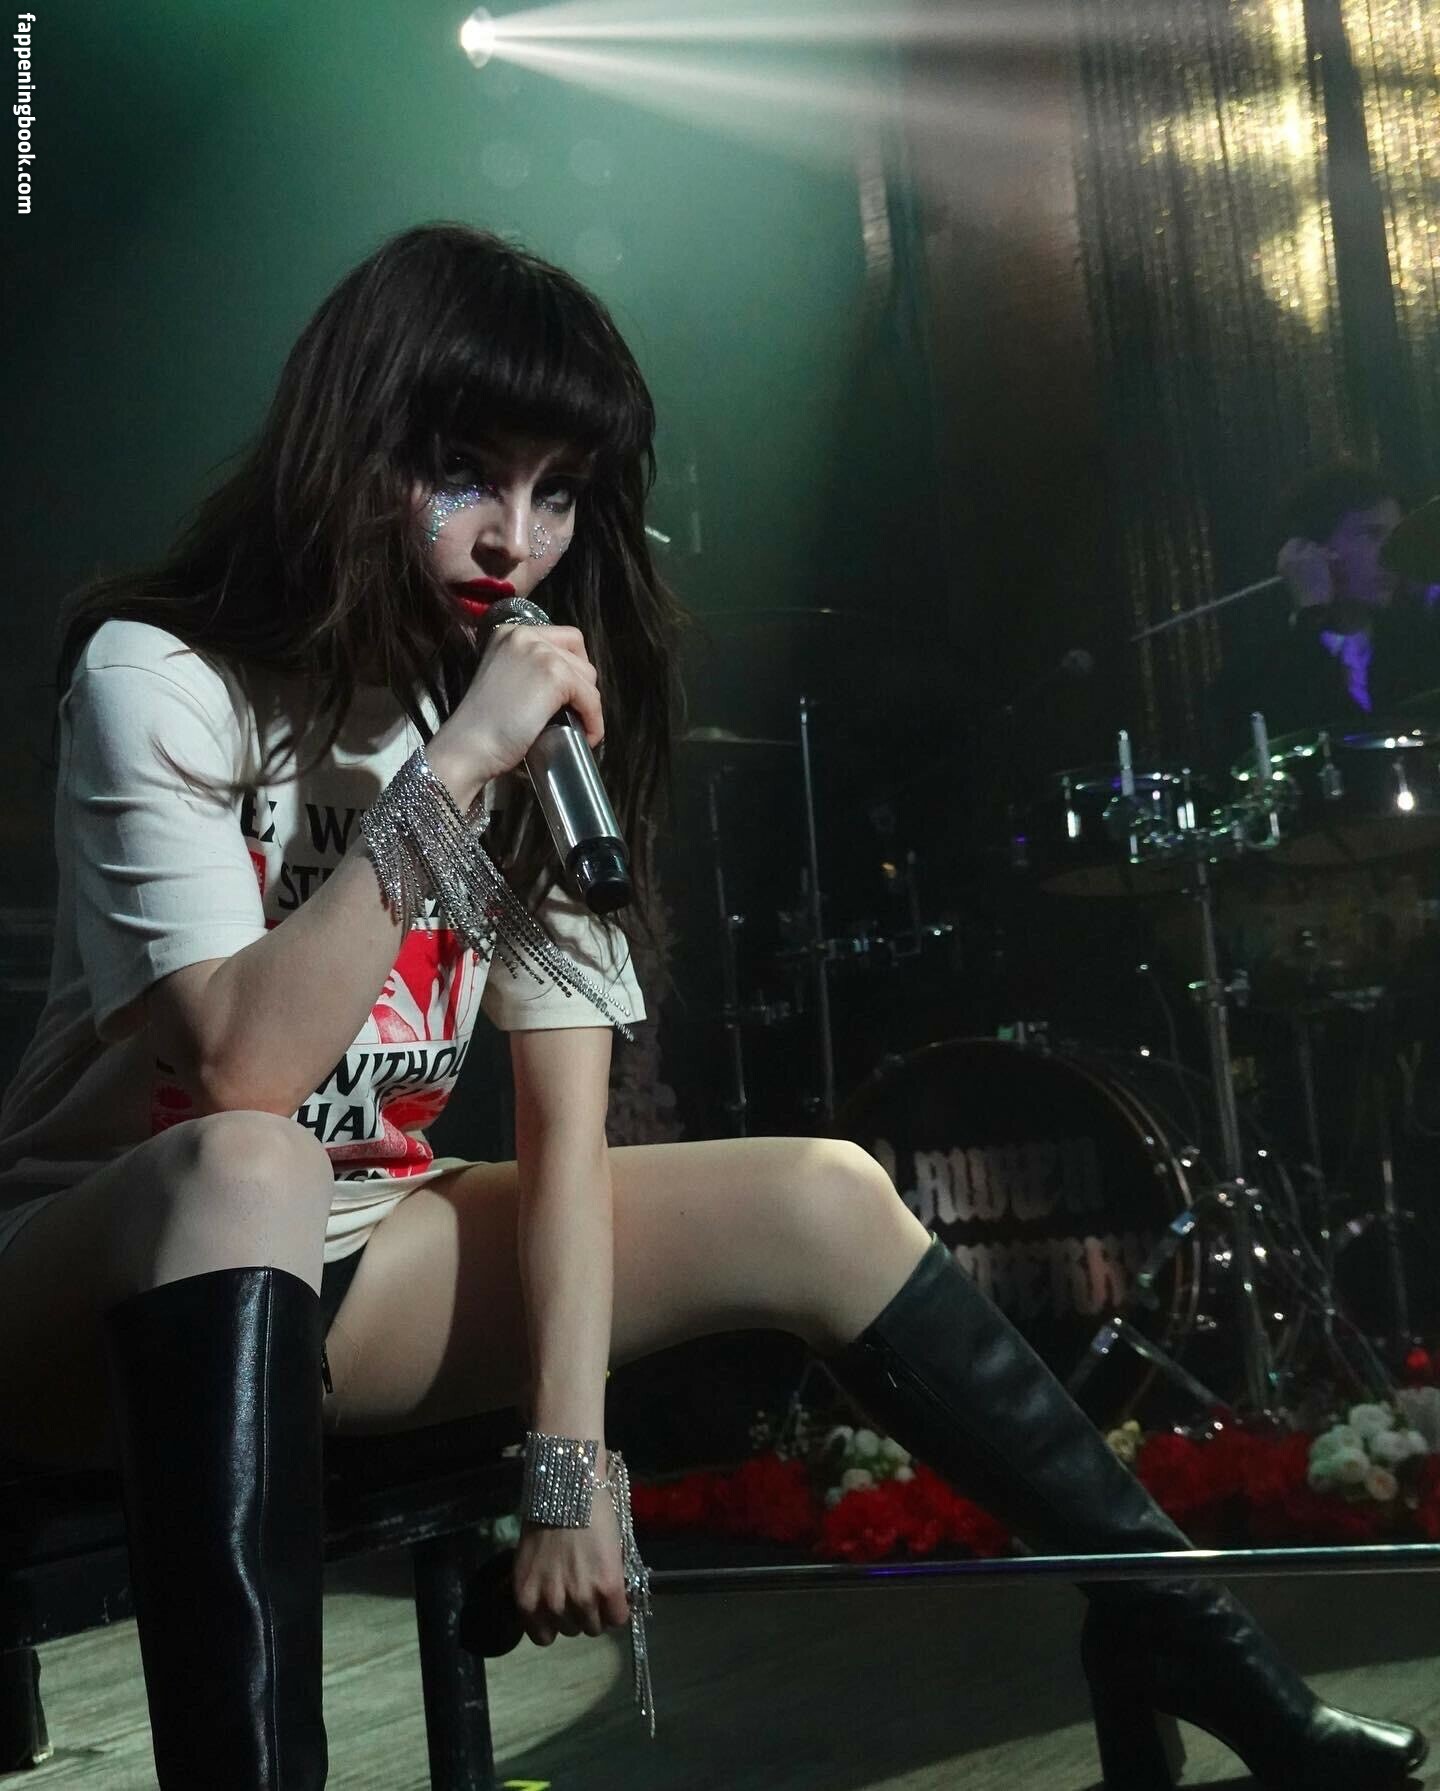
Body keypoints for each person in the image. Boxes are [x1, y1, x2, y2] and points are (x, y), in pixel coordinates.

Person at [0, 224, 1423, 1791]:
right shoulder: (167, 673)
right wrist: (454, 765)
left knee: (822, 1192)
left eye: (557, 492)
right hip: (99, 1281)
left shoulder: (525, 731)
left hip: (359, 1255)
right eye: (466, 473)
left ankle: (1185, 1635)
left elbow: (569, 1137)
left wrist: (570, 1463)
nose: (514, 540)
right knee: (253, 1159)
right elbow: (242, 1068)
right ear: (355, 446)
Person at [1217, 460, 1440, 752]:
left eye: (1395, 536)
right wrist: (1312, 615)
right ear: (1311, 549)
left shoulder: (1417, 641)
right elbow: (1319, 733)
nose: (1392, 553)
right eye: (1371, 535)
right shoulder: (1255, 670)